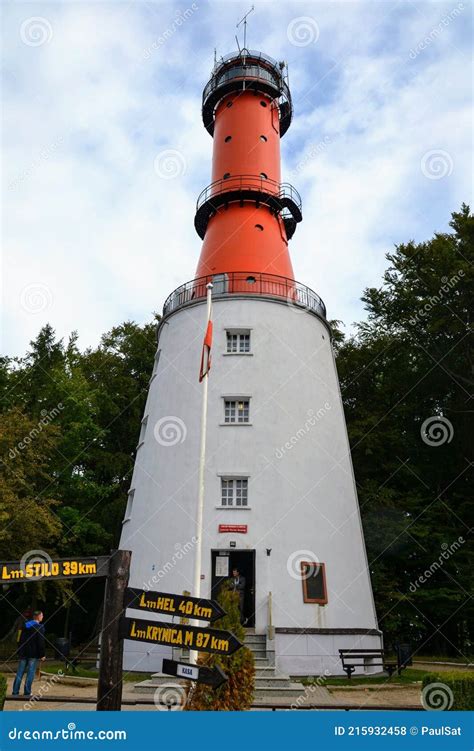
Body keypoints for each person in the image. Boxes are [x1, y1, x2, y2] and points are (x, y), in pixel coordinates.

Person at [12, 611, 46, 697]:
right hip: (33, 654)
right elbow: (40, 642)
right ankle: (27, 692)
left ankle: (15, 692)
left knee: (20, 672)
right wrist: (42, 655)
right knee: (30, 672)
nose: (43, 617)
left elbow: (19, 639)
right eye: (42, 615)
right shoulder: (40, 627)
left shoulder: (24, 625)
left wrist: (19, 650)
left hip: (23, 653)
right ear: (38, 617)